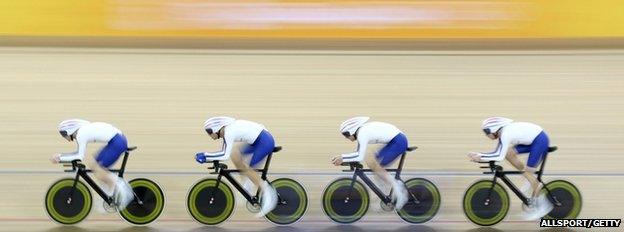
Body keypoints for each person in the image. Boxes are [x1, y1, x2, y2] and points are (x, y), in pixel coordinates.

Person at [468, 116, 553, 220]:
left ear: (493, 129)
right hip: (535, 139)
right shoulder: (503, 133)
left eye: (486, 132)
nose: (486, 135)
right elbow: (500, 153)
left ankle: (542, 207)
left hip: (540, 140)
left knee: (527, 173)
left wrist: (480, 156)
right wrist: (480, 155)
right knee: (509, 154)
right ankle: (530, 177)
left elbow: (499, 156)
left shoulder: (505, 134)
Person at [195, 116, 278, 217]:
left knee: (249, 168)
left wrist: (205, 156)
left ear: (215, 129)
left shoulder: (228, 132)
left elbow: (224, 155)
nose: (209, 135)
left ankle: (269, 195)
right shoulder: (228, 129)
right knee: (235, 154)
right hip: (260, 139)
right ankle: (248, 183)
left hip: (264, 142)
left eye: (208, 132)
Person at [51, 119, 133, 211]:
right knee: (94, 165)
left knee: (98, 170)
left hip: (117, 143)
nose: (64, 137)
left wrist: (60, 158)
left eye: (63, 134)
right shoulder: (82, 131)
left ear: (68, 130)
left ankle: (123, 188)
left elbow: (79, 156)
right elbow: (78, 153)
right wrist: (61, 156)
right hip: (117, 140)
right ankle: (110, 196)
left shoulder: (81, 134)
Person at [331, 116, 409, 210]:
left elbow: (359, 156)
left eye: (346, 135)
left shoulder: (362, 133)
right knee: (371, 162)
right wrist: (345, 159)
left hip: (399, 142)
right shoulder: (361, 131)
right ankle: (384, 194)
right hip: (396, 140)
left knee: (376, 166)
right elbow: (359, 154)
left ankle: (399, 191)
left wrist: (342, 158)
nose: (346, 137)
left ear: (351, 131)